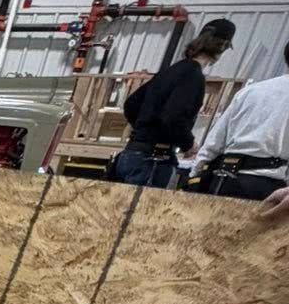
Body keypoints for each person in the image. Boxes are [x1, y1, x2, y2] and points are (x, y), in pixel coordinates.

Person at [110, 20, 235, 188]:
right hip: (153, 161)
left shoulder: (173, 70)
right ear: (223, 46)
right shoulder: (193, 75)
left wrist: (145, 129)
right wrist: (188, 144)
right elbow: (173, 117)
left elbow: (132, 104)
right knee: (144, 213)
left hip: (131, 154)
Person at [188, 41, 289, 200]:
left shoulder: (250, 91)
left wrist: (194, 175)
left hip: (223, 180)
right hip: (265, 187)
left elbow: (214, 141)